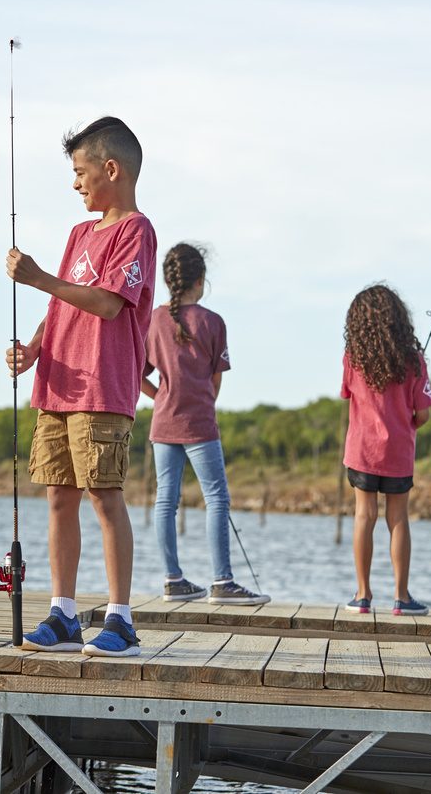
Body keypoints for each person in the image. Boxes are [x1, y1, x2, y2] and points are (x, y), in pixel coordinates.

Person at [6, 116, 156, 658]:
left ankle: (120, 620)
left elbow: (109, 303)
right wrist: (34, 348)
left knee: (104, 496)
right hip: (58, 386)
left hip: (102, 386)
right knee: (58, 496)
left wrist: (38, 277)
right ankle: (63, 614)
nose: (75, 183)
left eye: (79, 172)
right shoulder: (78, 234)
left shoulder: (135, 230)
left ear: (110, 169)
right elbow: (61, 303)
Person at [141, 242, 268, 605]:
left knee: (166, 500)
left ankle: (173, 580)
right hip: (199, 424)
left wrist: (161, 398)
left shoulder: (153, 320)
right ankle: (223, 582)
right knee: (217, 499)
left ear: (169, 281)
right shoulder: (213, 322)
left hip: (164, 423)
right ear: (200, 281)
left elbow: (137, 375)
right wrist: (201, 404)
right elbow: (215, 381)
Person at [340, 284, 431, 616]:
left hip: (362, 452)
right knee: (398, 519)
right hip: (398, 453)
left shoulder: (353, 359)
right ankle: (401, 597)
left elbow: (347, 395)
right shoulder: (414, 361)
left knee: (364, 516)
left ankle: (362, 595)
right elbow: (423, 413)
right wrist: (408, 425)